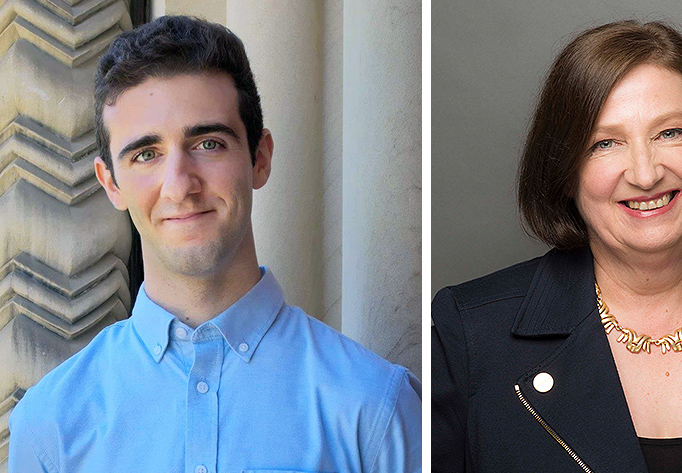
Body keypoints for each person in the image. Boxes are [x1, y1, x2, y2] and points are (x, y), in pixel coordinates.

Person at [9, 16, 421, 473]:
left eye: (208, 143)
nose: (179, 185)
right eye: (146, 154)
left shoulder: (374, 404)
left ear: (259, 159)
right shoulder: (50, 425)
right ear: (111, 183)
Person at [432, 20, 682, 473]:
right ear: (567, 171)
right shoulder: (468, 336)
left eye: (670, 133)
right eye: (605, 143)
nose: (645, 174)